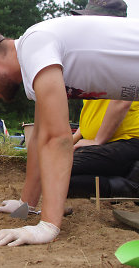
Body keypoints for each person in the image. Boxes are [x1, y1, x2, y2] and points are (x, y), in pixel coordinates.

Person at [0, 15, 139, 246]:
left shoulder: (35, 44)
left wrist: (47, 226)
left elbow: (57, 138)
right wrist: (25, 205)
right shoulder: (36, 63)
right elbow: (39, 138)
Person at [67, 0, 139, 199]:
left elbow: (122, 100)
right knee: (56, 177)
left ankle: (131, 185)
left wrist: (98, 140)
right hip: (108, 144)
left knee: (58, 169)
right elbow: (93, 111)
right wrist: (73, 140)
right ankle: (125, 178)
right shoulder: (100, 57)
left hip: (129, 142)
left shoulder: (125, 52)